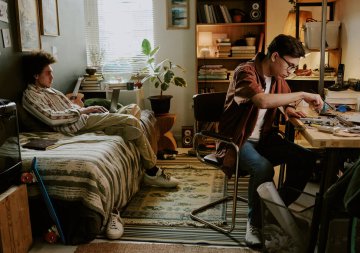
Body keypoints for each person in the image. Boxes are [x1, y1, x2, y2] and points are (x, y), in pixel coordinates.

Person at [21, 50, 179, 239]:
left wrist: (81, 107)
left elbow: (69, 108)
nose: (52, 76)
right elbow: (53, 119)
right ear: (35, 75)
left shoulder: (51, 91)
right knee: (131, 121)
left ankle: (151, 171)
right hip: (77, 127)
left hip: (83, 120)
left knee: (133, 129)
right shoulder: (30, 96)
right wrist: (84, 110)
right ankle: (152, 172)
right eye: (48, 72)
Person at [216, 34, 324, 248]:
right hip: (237, 141)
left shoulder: (278, 79)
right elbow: (262, 101)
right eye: (290, 65)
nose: (291, 71)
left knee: (306, 159)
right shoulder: (245, 72)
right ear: (275, 56)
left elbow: (283, 101)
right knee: (263, 168)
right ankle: (254, 223)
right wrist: (301, 94)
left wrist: (290, 109)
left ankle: (275, 211)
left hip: (264, 139)